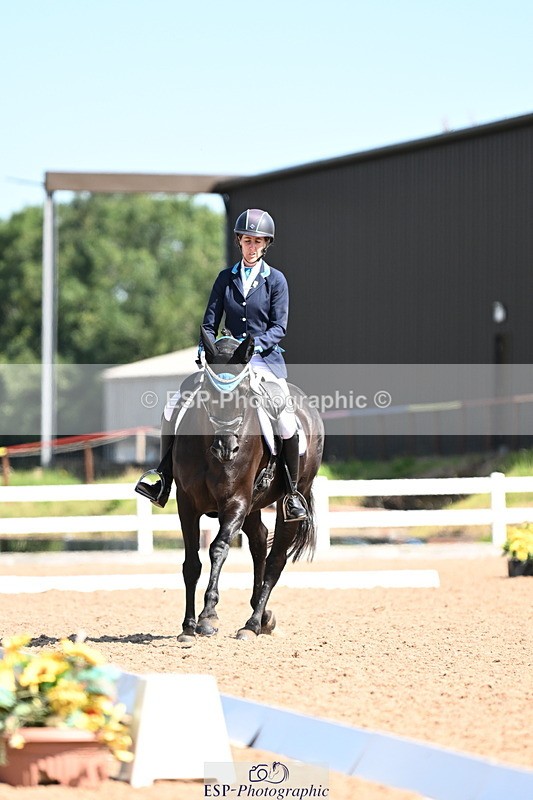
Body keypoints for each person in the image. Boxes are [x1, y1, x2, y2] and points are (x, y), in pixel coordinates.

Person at [135, 208, 307, 521]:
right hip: (225, 361)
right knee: (174, 406)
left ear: (266, 244)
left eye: (257, 241)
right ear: (239, 241)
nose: (252, 247)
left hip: (262, 361)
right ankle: (162, 477)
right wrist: (207, 349)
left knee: (285, 418)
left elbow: (278, 327)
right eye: (247, 240)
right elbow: (210, 322)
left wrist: (252, 348)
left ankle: (292, 493)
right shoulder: (225, 278)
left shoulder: (276, 281)